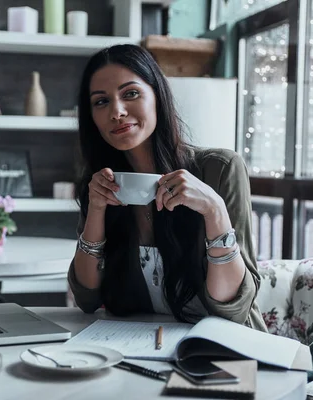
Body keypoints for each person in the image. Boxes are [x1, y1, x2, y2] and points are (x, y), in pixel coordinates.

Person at [67, 44, 267, 332]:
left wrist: (214, 211)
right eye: (101, 102)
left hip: (227, 352)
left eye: (131, 94)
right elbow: (86, 298)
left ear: (157, 96)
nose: (117, 111)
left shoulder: (220, 168)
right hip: (144, 353)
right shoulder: (100, 183)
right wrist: (96, 210)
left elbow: (233, 307)